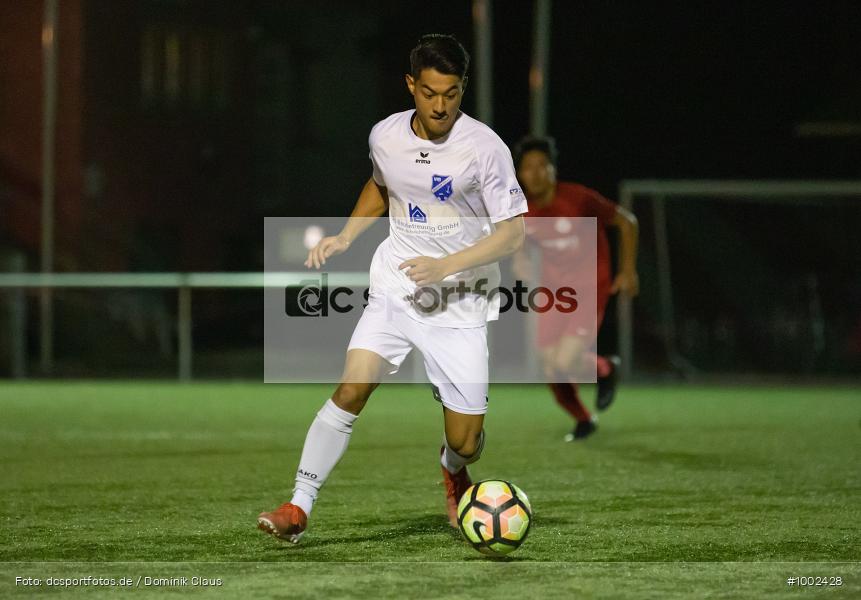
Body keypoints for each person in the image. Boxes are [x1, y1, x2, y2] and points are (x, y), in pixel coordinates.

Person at [258, 34, 527, 542]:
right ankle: (298, 506)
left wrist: (447, 266)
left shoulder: (486, 148)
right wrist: (345, 235)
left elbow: (512, 233)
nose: (440, 105)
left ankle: (453, 469)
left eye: (451, 93)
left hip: (460, 302)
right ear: (411, 85)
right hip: (396, 288)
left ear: (463, 88)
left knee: (466, 441)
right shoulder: (385, 135)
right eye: (429, 93)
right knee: (351, 389)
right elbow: (381, 186)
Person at [512, 135, 639, 441]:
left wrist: (628, 270)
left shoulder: (578, 199)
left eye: (543, 166)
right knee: (549, 366)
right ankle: (584, 419)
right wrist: (519, 260)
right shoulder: (522, 211)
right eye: (528, 168)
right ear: (519, 174)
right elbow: (516, 239)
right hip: (556, 290)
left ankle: (605, 368)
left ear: (554, 170)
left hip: (589, 284)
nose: (536, 173)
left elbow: (627, 222)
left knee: (563, 361)